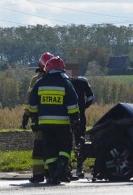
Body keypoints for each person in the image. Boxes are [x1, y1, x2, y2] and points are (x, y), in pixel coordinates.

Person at [27, 56, 80, 186]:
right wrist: (75, 120)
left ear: (48, 69)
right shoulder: (66, 83)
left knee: (49, 149)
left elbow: (32, 104)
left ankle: (52, 174)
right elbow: (73, 104)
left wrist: (34, 120)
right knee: (64, 147)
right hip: (62, 124)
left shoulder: (40, 83)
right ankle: (60, 171)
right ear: (62, 69)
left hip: (45, 125)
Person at [22, 51, 52, 183]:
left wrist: (26, 115)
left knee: (39, 146)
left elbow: (30, 100)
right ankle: (51, 172)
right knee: (52, 145)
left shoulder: (36, 80)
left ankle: (38, 174)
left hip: (39, 119)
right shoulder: (59, 79)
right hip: (55, 121)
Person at [69, 74, 95, 178]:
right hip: (79, 115)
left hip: (69, 116)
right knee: (80, 142)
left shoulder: (66, 81)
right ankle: (78, 168)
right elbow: (91, 97)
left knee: (70, 142)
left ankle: (72, 168)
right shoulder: (83, 81)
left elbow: (90, 96)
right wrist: (84, 106)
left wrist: (85, 106)